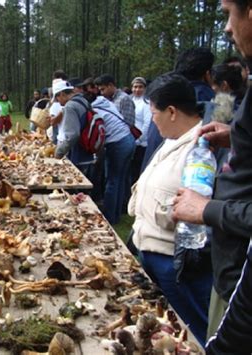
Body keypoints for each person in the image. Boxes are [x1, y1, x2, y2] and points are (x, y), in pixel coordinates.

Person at [172, 0, 252, 342]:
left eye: (227, 13)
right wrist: (235, 136)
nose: (226, 28)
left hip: (241, 284)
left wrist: (206, 209)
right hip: (228, 260)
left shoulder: (221, 99)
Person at [128, 73, 212, 345]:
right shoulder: (172, 140)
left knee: (188, 333)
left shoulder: (201, 149)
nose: (152, 119)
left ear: (172, 112)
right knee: (159, 329)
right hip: (152, 253)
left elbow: (189, 213)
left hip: (175, 265)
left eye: (154, 112)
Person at [92, 94, 135, 225]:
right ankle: (117, 214)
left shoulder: (95, 111)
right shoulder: (107, 103)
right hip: (128, 139)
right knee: (120, 180)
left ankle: (109, 218)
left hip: (117, 143)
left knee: (112, 180)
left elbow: (97, 134)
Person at [53, 79, 96, 184]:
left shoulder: (70, 106)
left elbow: (72, 135)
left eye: (57, 98)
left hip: (79, 154)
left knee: (77, 188)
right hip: (88, 152)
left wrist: (58, 153)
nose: (58, 102)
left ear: (62, 94)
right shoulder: (83, 100)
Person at [130, 77, 152, 184]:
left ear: (145, 88)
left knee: (135, 172)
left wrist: (139, 139)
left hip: (140, 143)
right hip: (130, 140)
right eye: (135, 87)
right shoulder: (130, 100)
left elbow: (147, 123)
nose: (137, 90)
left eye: (140, 87)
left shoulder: (147, 103)